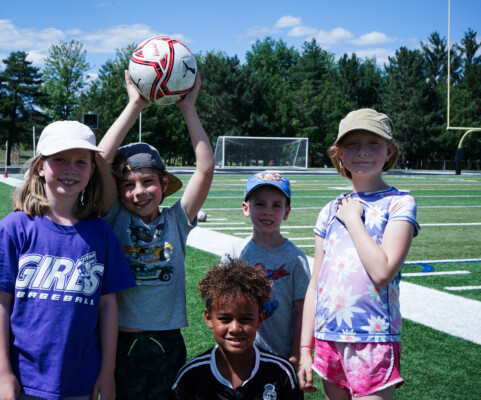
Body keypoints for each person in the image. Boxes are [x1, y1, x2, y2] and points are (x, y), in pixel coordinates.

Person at [0, 121, 136, 400]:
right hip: (25, 381)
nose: (71, 169)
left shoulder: (101, 234)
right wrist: (3, 374)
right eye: (60, 159)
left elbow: (108, 305)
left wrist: (107, 372)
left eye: (81, 162)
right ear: (40, 166)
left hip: (81, 380)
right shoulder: (15, 228)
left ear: (92, 170)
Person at [98, 70, 215, 399]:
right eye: (128, 185)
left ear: (164, 184)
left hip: (167, 341)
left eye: (148, 181)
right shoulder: (115, 216)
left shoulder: (177, 220)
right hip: (120, 341)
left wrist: (188, 107)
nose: (139, 192)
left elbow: (205, 168)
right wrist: (135, 105)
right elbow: (99, 162)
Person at [298, 109, 420, 399]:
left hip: (373, 338)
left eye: (373, 143)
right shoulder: (329, 210)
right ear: (339, 153)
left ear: (390, 151)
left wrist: (353, 219)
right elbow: (315, 285)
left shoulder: (399, 203)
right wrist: (304, 349)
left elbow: (382, 271)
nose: (362, 151)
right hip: (328, 337)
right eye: (352, 144)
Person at [172, 258, 303, 400]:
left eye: (245, 319)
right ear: (208, 318)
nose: (235, 328)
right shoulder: (190, 377)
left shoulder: (281, 373)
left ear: (260, 319)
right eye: (225, 319)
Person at [223, 171, 310, 366]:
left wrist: (297, 352)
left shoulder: (296, 258)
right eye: (260, 204)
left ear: (286, 212)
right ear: (246, 208)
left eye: (276, 205)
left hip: (281, 356)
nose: (267, 211)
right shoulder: (235, 252)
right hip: (241, 354)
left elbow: (303, 311)